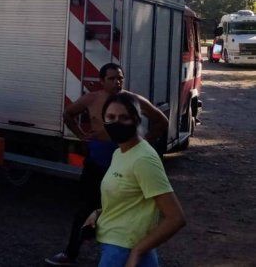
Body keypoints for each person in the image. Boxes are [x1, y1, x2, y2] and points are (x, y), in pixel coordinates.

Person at [46, 63, 169, 266]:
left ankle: (131, 250)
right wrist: (81, 136)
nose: (117, 82)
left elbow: (161, 121)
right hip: (97, 163)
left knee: (128, 209)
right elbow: (68, 114)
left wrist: (145, 140)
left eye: (120, 78)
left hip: (126, 165)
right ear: (102, 81)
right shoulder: (91, 99)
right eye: (111, 78)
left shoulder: (133, 101)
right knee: (85, 209)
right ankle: (70, 253)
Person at [84, 92, 186, 267]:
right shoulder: (119, 152)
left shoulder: (143, 159)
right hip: (116, 246)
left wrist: (138, 251)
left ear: (137, 120)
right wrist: (99, 213)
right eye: (111, 117)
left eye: (124, 117)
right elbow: (130, 197)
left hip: (124, 251)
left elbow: (176, 218)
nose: (116, 122)